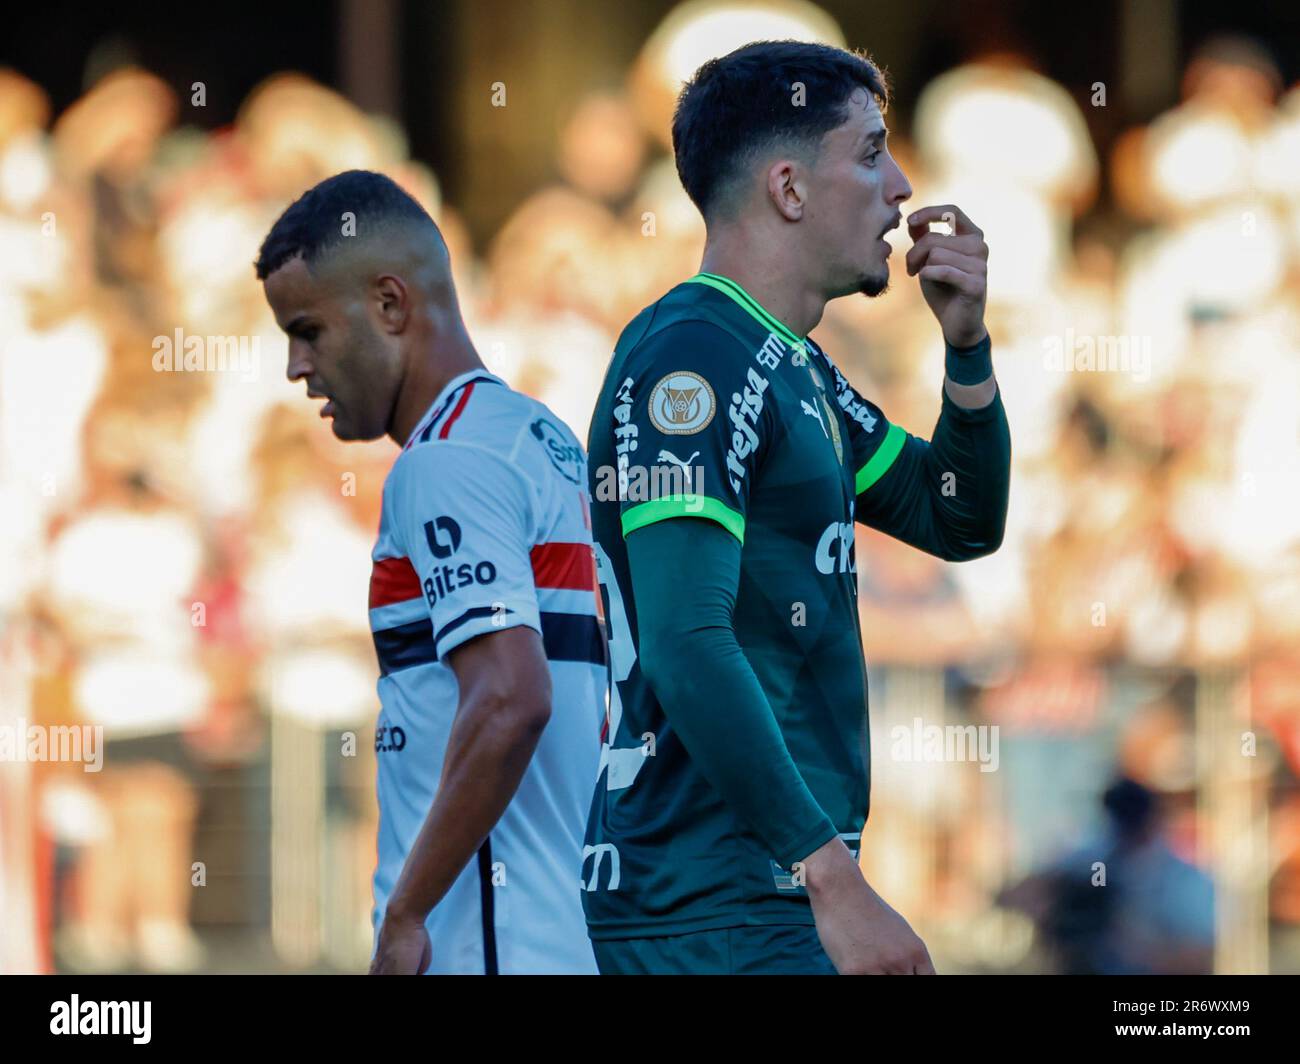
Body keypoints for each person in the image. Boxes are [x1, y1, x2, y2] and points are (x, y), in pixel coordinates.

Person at [583, 41, 1011, 974]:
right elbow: (686, 641)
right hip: (709, 905)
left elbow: (959, 517)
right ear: (787, 189)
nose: (900, 186)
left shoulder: (791, 365)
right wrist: (831, 877)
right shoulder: (694, 357)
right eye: (869, 153)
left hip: (755, 897)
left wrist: (968, 348)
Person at [257, 170, 604, 974]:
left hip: (491, 945)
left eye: (306, 330)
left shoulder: (443, 461)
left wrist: (407, 914)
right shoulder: (540, 437)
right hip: (571, 933)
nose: (295, 367)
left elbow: (512, 699)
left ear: (389, 305)